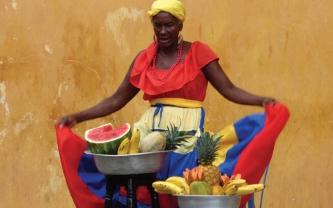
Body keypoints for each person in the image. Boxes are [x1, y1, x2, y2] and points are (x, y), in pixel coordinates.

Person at [56, 0, 289, 207]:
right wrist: (78, 117)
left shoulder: (198, 53)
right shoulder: (144, 58)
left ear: (180, 25)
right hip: (149, 139)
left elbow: (229, 89)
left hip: (187, 138)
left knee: (185, 191)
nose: (163, 30)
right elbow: (117, 98)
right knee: (142, 191)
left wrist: (261, 100)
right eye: (158, 25)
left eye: (169, 25)